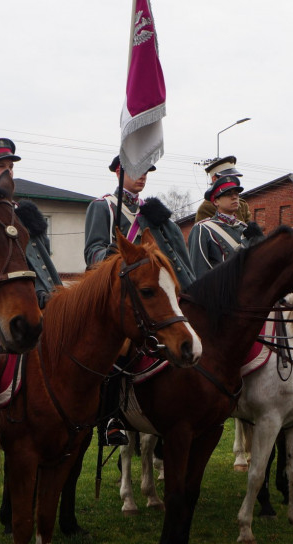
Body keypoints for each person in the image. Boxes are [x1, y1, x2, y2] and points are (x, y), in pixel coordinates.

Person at [83, 155, 196, 445]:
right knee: (117, 347)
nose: (143, 176)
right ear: (119, 172)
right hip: (117, 294)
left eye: (147, 171)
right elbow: (93, 252)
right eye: (136, 171)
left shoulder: (151, 213)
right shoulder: (103, 206)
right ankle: (110, 417)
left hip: (149, 293)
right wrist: (115, 258)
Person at [0, 138, 62, 308]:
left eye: (10, 167)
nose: (8, 172)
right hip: (12, 307)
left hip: (51, 300)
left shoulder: (26, 213)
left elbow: (44, 257)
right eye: (1, 166)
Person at [188, 175, 261, 279]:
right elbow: (198, 271)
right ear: (216, 201)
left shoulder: (245, 228)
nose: (234, 197)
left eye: (236, 193)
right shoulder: (202, 229)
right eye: (228, 194)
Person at [195, 155, 252, 223]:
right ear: (214, 179)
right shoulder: (206, 208)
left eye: (234, 177)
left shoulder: (242, 205)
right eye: (227, 178)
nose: (231, 181)